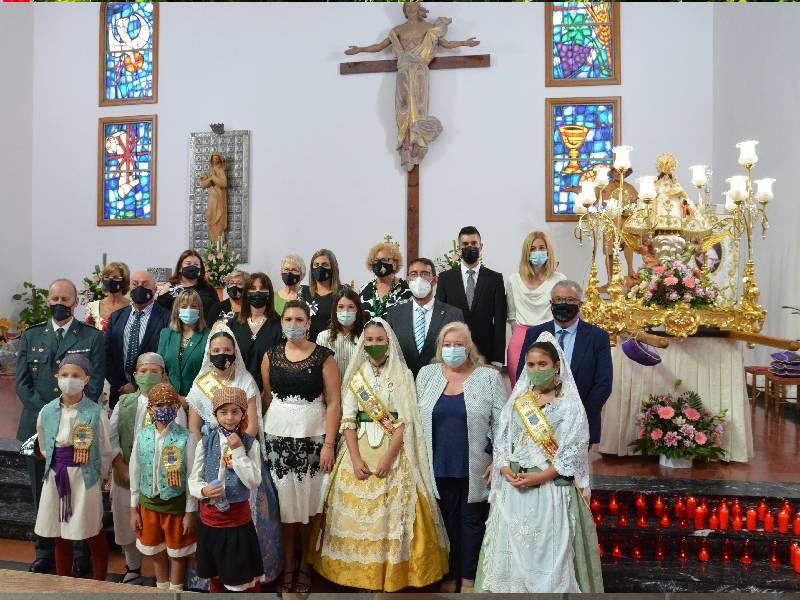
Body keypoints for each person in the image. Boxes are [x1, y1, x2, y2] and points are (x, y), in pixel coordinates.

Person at [309, 318, 448, 591]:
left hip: (392, 450)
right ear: (363, 343)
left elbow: (405, 422)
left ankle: (389, 573)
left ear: (389, 342)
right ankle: (355, 576)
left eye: (379, 340)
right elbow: (347, 420)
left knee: (390, 516)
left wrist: (387, 459)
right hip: (357, 450)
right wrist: (356, 458)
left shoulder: (403, 375)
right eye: (369, 340)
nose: (374, 345)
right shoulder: (355, 374)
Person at [476, 334, 603, 593]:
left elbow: (573, 450)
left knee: (549, 558)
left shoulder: (569, 406)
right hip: (514, 492)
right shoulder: (518, 402)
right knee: (511, 562)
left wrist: (540, 477)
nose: (535, 370)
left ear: (556, 366)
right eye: (531, 365)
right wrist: (503, 468)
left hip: (550, 490)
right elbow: (501, 441)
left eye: (542, 364)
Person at [16, 278, 105, 575]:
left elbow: (95, 384)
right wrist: (51, 412)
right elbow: (22, 383)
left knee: (78, 493)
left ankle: (80, 554)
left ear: (75, 302)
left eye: (65, 299)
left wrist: (72, 412)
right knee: (43, 494)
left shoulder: (91, 337)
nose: (58, 304)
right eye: (54, 298)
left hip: (80, 428)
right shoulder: (32, 336)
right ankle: (44, 553)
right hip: (38, 426)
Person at [185, 323, 282, 585]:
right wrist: (210, 447)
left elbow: (251, 422)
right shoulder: (200, 382)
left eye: (226, 349)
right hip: (210, 452)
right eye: (216, 349)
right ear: (209, 352)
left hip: (241, 449)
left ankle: (245, 578)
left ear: (234, 351)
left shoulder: (245, 379)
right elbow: (194, 426)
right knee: (212, 523)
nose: (221, 354)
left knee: (241, 529)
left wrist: (236, 446)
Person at [416, 321, 506, 593]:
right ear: (439, 347)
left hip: (476, 466)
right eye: (447, 344)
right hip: (436, 464)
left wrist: (496, 458)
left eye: (458, 344)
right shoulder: (426, 374)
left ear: (469, 348)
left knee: (472, 524)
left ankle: (468, 579)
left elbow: (502, 423)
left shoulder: (488, 376)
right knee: (443, 523)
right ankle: (448, 575)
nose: (452, 349)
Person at [261, 300, 340, 593]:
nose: (293, 324)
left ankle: (306, 565)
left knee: (309, 505)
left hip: (314, 437)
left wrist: (329, 444)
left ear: (308, 323)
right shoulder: (270, 355)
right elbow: (268, 396)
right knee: (283, 506)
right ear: (282, 323)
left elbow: (334, 402)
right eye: (288, 319)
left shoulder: (324, 357)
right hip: (277, 437)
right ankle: (287, 565)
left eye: (299, 319)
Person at [109, 352, 188, 586]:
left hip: (164, 479)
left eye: (154, 371)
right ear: (135, 375)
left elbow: (180, 441)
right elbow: (110, 437)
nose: (148, 375)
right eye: (143, 371)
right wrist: (118, 463)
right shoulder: (124, 403)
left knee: (161, 530)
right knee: (127, 521)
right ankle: (132, 566)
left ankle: (166, 578)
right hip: (127, 473)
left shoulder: (172, 406)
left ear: (164, 375)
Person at [33, 354, 112, 581]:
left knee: (92, 530)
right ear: (58, 377)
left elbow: (106, 447)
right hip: (57, 475)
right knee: (61, 532)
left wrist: (103, 474)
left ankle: (99, 582)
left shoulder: (95, 413)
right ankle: (62, 581)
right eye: (65, 375)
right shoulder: (47, 411)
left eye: (76, 375)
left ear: (86, 379)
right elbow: (44, 441)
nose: (70, 379)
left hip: (85, 477)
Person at [515, 280, 613, 447]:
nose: (563, 304)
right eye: (558, 300)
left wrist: (579, 416)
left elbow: (603, 383)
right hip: (540, 421)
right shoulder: (535, 334)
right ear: (551, 303)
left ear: (580, 304)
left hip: (581, 420)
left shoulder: (598, 337)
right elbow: (523, 377)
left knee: (571, 473)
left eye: (570, 300)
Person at [188, 387, 265, 592]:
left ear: (243, 414)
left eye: (235, 411)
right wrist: (203, 491)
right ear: (215, 414)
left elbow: (254, 481)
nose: (229, 418)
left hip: (236, 523)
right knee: (215, 575)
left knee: (239, 578)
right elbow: (193, 480)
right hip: (210, 522)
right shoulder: (205, 443)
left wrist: (239, 451)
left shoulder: (250, 444)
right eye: (223, 412)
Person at [129, 383, 197, 591]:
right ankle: (161, 589)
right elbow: (135, 471)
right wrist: (134, 508)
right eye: (158, 405)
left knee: (177, 552)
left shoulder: (186, 437)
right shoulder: (142, 436)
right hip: (149, 504)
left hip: (175, 506)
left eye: (169, 404)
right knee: (156, 551)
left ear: (177, 407)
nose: (163, 408)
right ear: (150, 409)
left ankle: (175, 591)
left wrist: (190, 512)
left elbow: (192, 477)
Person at [435, 226, 507, 368]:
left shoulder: (495, 279)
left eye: (474, 243)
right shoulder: (445, 278)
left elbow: (500, 321)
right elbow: (439, 318)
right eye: (465, 244)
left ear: (481, 246)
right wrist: (440, 353)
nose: (470, 247)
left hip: (485, 352)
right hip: (453, 352)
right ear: (459, 248)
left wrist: (498, 358)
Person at [506, 232, 566, 387]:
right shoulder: (514, 280)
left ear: (548, 251)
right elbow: (511, 315)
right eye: (532, 249)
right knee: (519, 390)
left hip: (548, 337)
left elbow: (563, 315)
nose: (537, 252)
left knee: (548, 387)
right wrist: (520, 335)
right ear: (527, 252)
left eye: (541, 248)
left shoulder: (559, 280)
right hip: (520, 339)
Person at [386, 257, 463, 377]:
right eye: (413, 274)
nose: (419, 279)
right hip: (404, 383)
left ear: (435, 280)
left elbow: (459, 355)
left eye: (425, 274)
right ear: (407, 280)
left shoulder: (453, 314)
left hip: (440, 383)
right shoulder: (394, 314)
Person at [105, 271, 170, 408]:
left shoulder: (166, 318)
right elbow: (107, 354)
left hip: (153, 393)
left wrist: (135, 385)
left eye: (145, 284)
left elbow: (166, 356)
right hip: (119, 393)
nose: (139, 287)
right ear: (129, 288)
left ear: (154, 288)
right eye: (135, 284)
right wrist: (120, 385)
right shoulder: (116, 317)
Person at [228, 272, 282, 391]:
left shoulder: (279, 325)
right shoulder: (233, 323)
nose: (257, 292)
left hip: (268, 391)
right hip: (236, 389)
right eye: (253, 288)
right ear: (246, 293)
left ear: (269, 294)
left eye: (262, 288)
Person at [157, 289, 210, 403]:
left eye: (194, 306)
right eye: (184, 306)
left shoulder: (210, 335)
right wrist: (173, 396)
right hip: (169, 400)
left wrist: (189, 400)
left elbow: (210, 372)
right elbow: (160, 368)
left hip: (199, 401)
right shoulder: (166, 334)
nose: (189, 310)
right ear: (177, 310)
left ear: (200, 310)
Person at [315, 286, 365, 381]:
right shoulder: (323, 337)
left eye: (351, 307)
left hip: (358, 393)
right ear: (335, 310)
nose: (345, 311)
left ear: (357, 311)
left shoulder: (365, 338)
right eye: (341, 307)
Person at [359, 239, 412, 320]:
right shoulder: (364, 290)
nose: (380, 264)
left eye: (384, 260)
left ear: (394, 264)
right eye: (376, 260)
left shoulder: (406, 289)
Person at [157, 250, 218, 318]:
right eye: (188, 264)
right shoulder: (172, 288)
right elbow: (160, 313)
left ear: (200, 269)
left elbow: (217, 311)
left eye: (196, 264)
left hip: (204, 327)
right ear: (180, 268)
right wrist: (162, 294)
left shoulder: (208, 288)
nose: (192, 267)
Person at [299, 249, 342, 341]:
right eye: (316, 265)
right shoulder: (302, 292)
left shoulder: (342, 293)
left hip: (333, 346)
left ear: (333, 268)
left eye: (325, 265)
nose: (320, 268)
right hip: (306, 347)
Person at [85, 261, 131, 334]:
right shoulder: (92, 306)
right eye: (106, 277)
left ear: (124, 280)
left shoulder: (133, 307)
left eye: (115, 277)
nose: (110, 280)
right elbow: (87, 336)